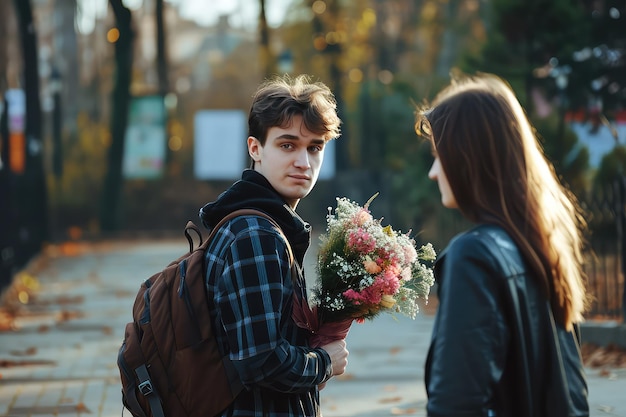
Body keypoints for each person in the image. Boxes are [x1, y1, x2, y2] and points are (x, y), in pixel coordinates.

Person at [415, 73, 590, 417]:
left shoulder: (474, 256)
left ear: (468, 158)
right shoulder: (543, 248)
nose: (434, 172)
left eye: (440, 155)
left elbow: (456, 404)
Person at [199, 74, 348, 417]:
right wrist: (324, 363)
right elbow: (261, 360)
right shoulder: (256, 233)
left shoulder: (261, 224)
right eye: (287, 145)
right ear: (255, 148)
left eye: (314, 148)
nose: (303, 162)